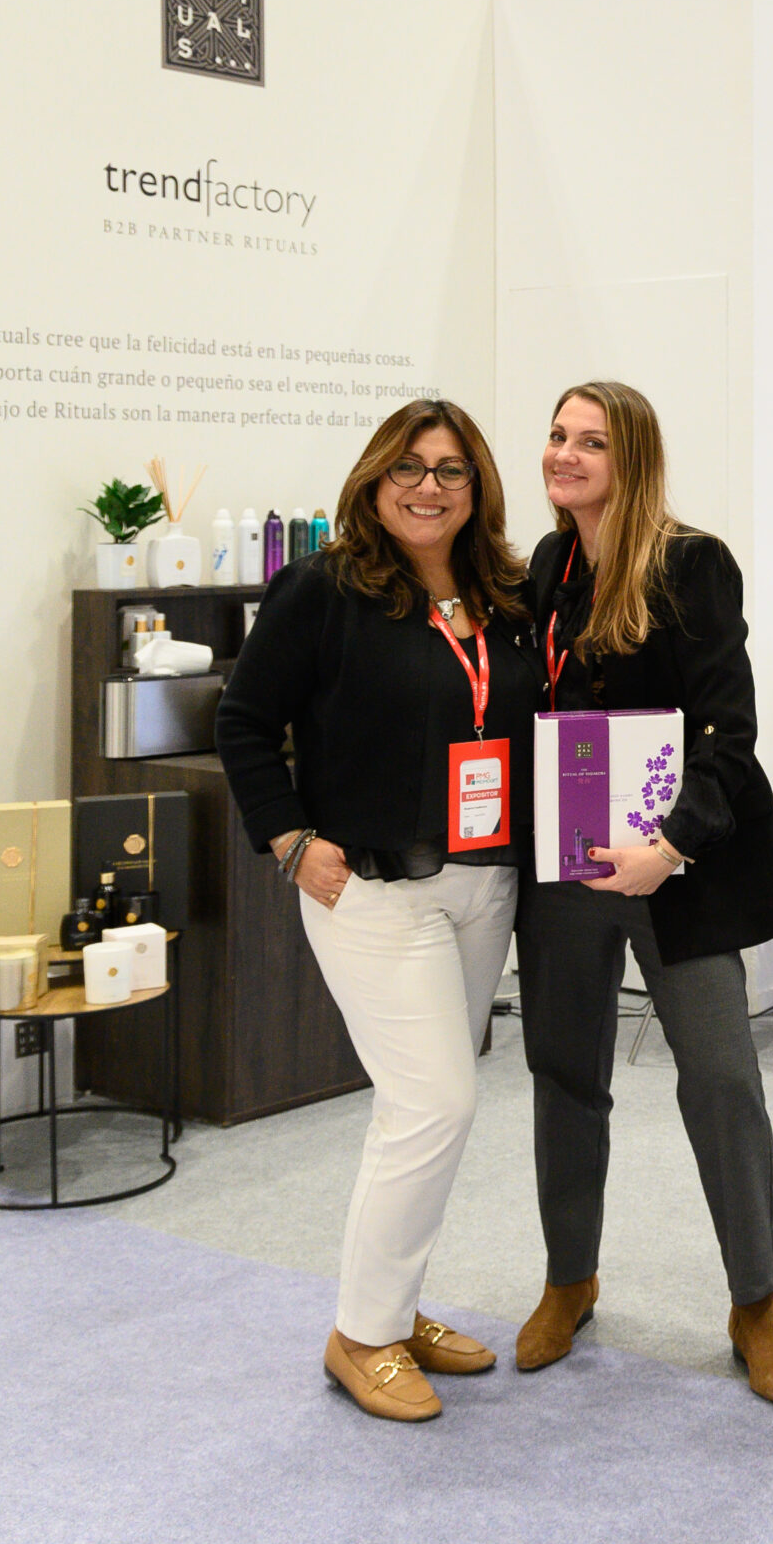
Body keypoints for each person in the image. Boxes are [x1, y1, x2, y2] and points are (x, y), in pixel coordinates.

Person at [216, 398, 537, 1420]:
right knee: (434, 1101)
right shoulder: (323, 588)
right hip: (371, 888)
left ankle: (392, 1308)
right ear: (374, 477)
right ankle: (360, 1335)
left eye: (450, 469)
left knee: (431, 1107)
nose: (428, 486)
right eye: (409, 466)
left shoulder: (504, 593)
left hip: (484, 882)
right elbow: (242, 720)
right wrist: (288, 840)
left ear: (476, 485)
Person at [512, 379, 773, 1405]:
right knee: (563, 1074)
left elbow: (730, 729)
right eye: (557, 435)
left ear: (630, 458)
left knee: (722, 1080)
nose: (565, 453)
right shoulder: (547, 567)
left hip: (678, 869)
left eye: (590, 441)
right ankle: (570, 1276)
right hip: (568, 870)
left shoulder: (691, 563)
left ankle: (756, 1304)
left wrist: (669, 845)